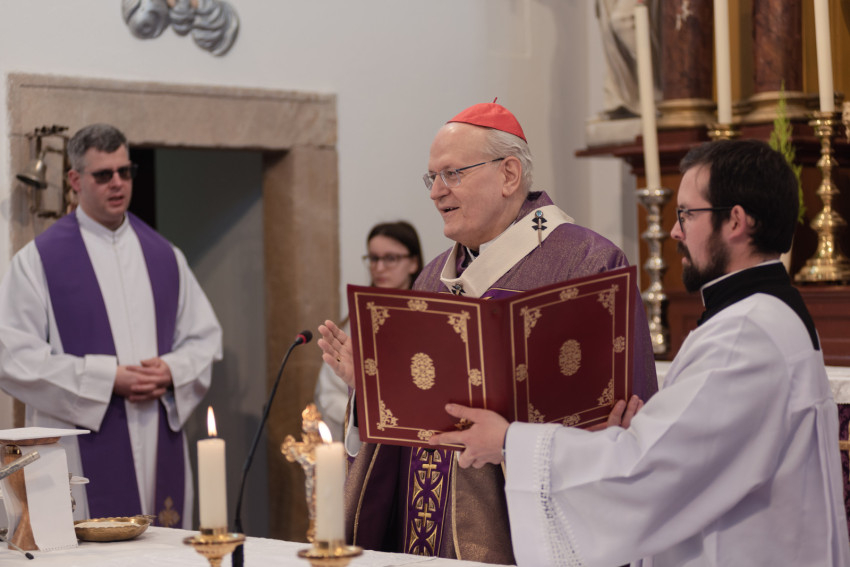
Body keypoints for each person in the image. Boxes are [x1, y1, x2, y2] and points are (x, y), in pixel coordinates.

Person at [431, 139, 850, 566]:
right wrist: (638, 432)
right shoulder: (767, 315)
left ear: (736, 222)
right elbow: (690, 454)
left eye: (686, 214)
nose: (675, 232)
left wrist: (508, 442)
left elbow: (646, 473)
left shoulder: (745, 335)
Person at [318, 102, 657, 564]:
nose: (436, 192)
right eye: (431, 177)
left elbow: (623, 430)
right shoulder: (432, 278)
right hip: (424, 533)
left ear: (509, 175)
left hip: (525, 543)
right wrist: (374, 390)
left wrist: (515, 444)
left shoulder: (587, 266)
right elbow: (408, 428)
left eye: (452, 174)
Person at [0, 124, 223, 529]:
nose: (117, 183)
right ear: (75, 180)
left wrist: (172, 370)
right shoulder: (38, 261)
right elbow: (12, 357)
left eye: (125, 171)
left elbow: (204, 339)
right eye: (103, 175)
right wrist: (104, 379)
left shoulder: (165, 256)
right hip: (78, 445)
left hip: (156, 433)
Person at [313, 221, 423, 441]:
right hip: (365, 434)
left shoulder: (429, 319)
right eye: (373, 258)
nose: (379, 268)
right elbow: (329, 391)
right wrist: (365, 416)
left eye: (390, 258)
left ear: (413, 263)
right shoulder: (356, 322)